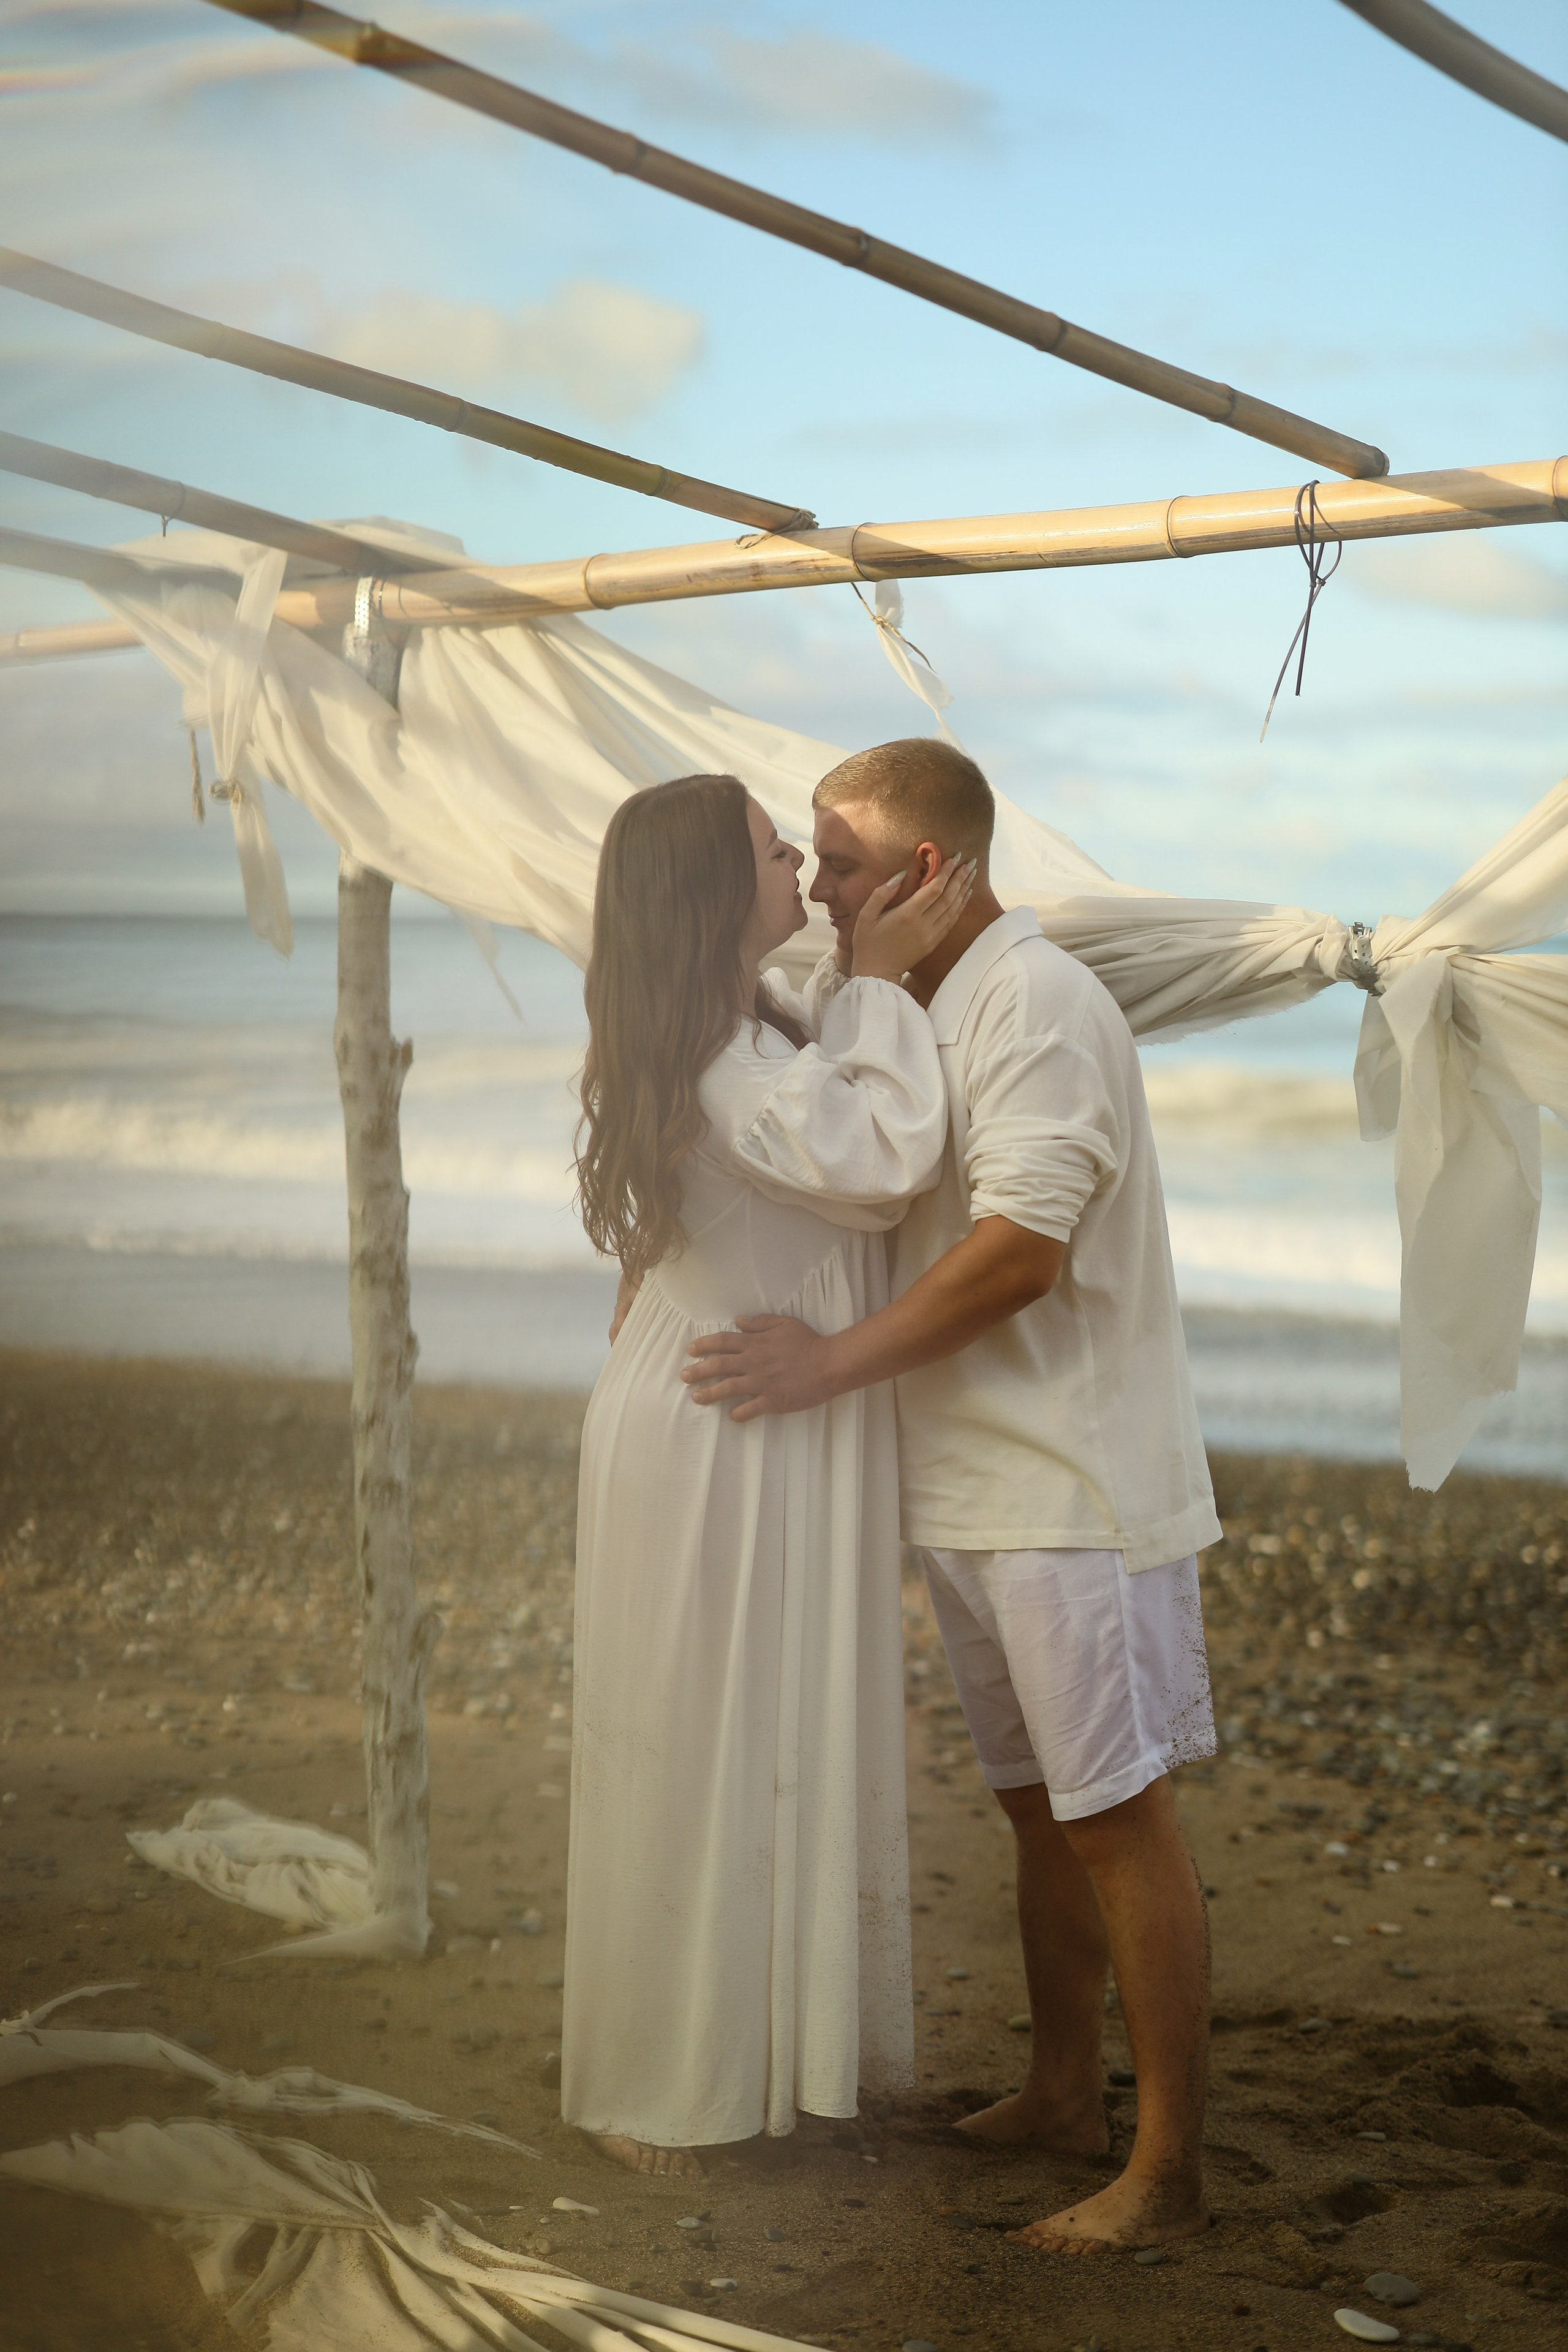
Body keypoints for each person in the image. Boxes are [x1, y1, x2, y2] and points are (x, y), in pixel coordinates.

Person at [684, 738, 1221, 2250]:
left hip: (1069, 1479)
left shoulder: (1035, 1002)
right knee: (1035, 1810)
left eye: (836, 864)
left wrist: (823, 1366)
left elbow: (1020, 1251)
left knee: (1114, 1815)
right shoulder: (912, 1000)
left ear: (926, 871)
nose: (817, 893)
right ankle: (1063, 2095)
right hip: (970, 1476)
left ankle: (1165, 2175)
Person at [563, 771, 972, 2176]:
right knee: (701, 1745)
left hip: (733, 1412)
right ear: (706, 892)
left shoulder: (734, 1032)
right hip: (720, 1430)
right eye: (767, 845)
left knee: (741, 1735)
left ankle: (730, 2049)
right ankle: (666, 2083)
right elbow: (885, 1157)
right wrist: (873, 975)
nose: (796, 856)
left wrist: (853, 980)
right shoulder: (731, 1058)